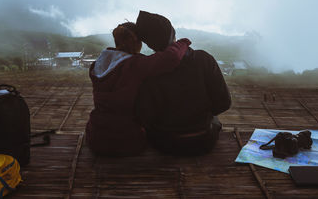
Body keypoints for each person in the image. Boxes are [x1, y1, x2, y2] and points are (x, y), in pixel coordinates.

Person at [86, 21, 191, 156]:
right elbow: (172, 57)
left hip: (95, 137)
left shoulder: (97, 64)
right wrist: (182, 42)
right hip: (127, 140)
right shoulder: (135, 65)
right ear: (137, 42)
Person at [135, 11, 231, 156]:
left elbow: (144, 117)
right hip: (203, 141)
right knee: (214, 121)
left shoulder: (149, 71)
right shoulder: (204, 59)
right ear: (173, 34)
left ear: (150, 44)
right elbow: (223, 103)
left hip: (165, 144)